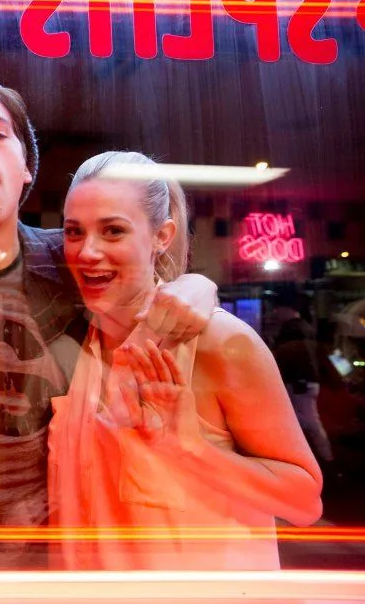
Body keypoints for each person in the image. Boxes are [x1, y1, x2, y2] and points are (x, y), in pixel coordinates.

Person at [0, 73, 219, 569]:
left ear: (26, 168)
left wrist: (197, 286)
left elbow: (150, 279)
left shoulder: (72, 258)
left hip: (73, 555)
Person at [47, 150, 323, 570]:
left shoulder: (220, 343)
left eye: (113, 231)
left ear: (162, 236)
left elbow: (304, 502)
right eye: (73, 232)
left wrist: (191, 451)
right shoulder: (75, 348)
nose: (87, 252)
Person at [272, 300, 335, 466]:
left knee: (306, 422)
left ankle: (316, 458)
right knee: (310, 422)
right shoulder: (313, 345)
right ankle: (324, 457)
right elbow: (329, 369)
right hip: (309, 385)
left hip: (295, 386)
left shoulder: (285, 348)